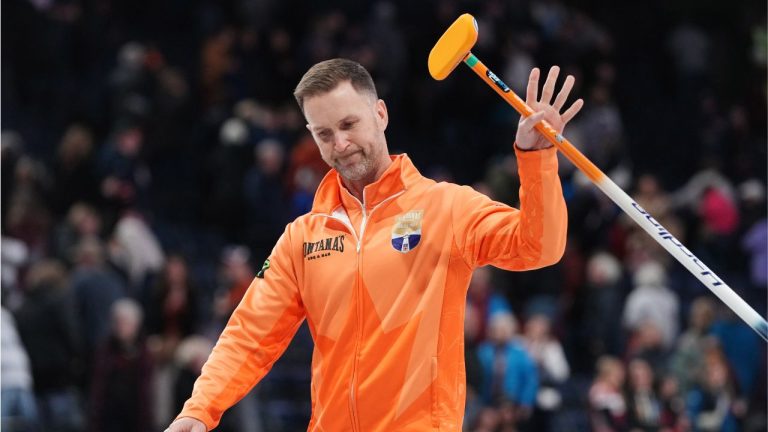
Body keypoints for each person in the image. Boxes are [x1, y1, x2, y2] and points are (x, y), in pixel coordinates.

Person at [167, 58, 582, 431]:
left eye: (349, 125)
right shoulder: (303, 238)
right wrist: (199, 409)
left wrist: (536, 157)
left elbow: (539, 246)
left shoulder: (446, 208)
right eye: (324, 133)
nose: (340, 144)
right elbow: (250, 334)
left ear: (380, 114)